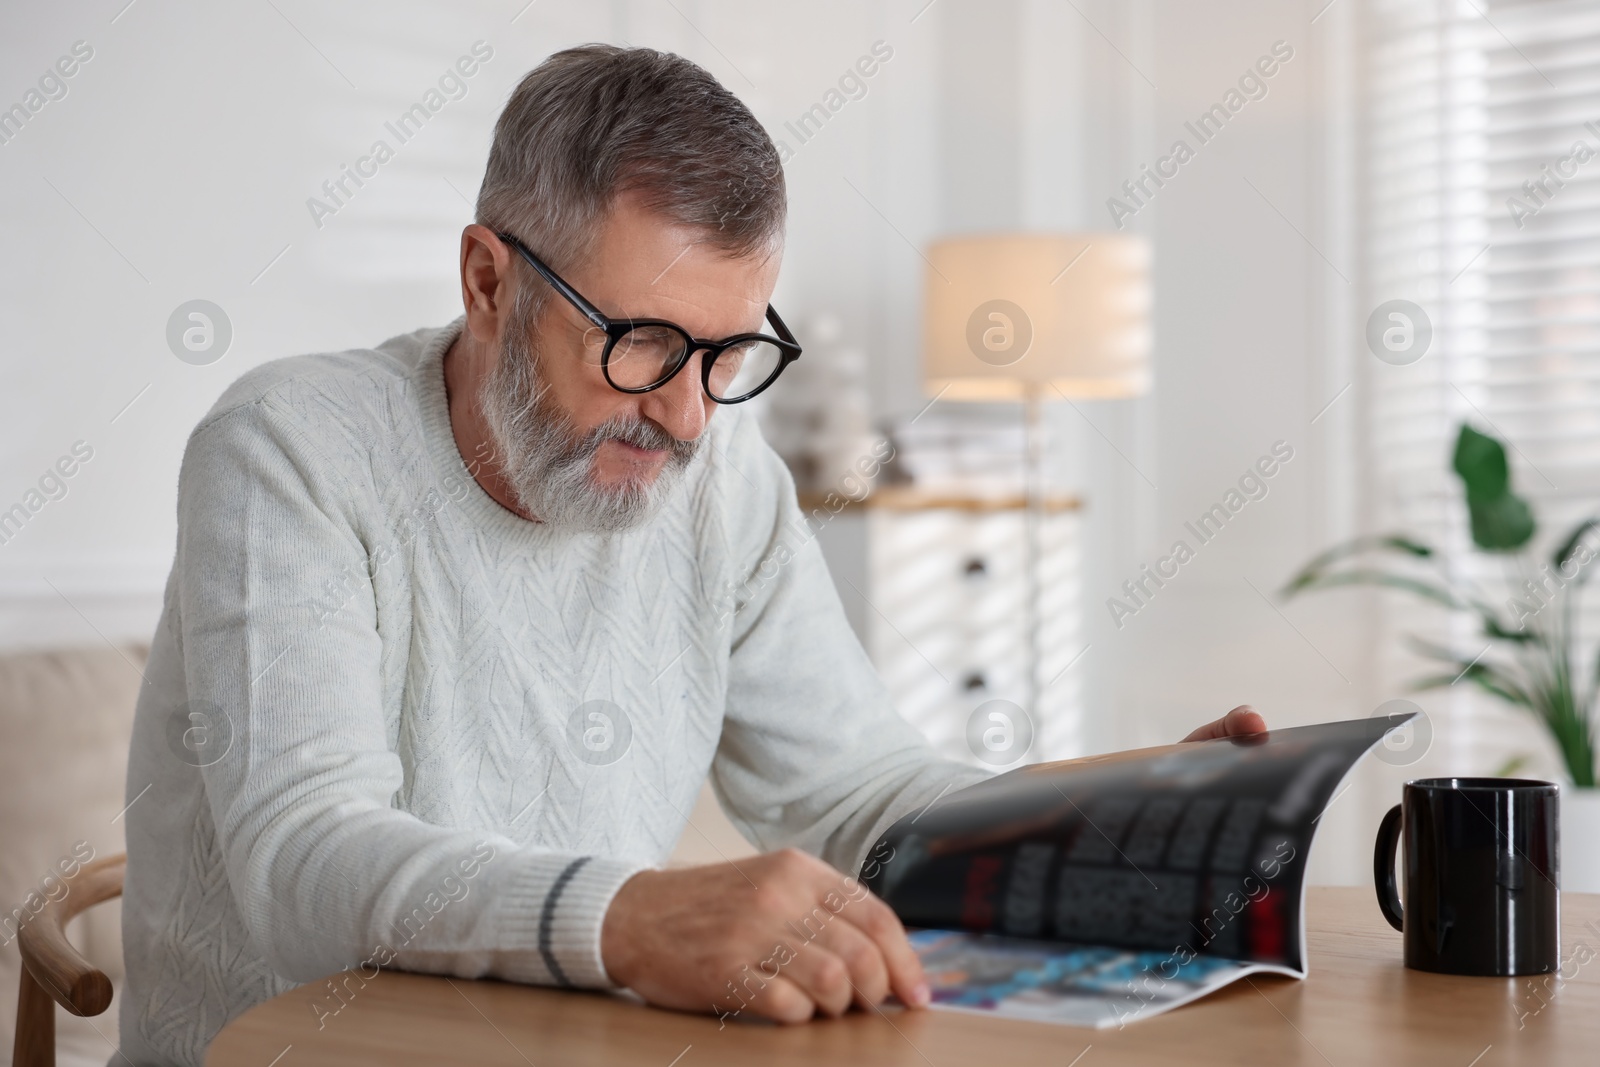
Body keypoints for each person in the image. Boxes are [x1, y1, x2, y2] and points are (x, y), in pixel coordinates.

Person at [118, 44, 1265, 1064]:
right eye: (643, 342)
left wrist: (1110, 818)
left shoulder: (724, 482)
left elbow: (857, 789)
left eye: (725, 354)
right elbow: (303, 861)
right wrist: (634, 917)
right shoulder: (289, 450)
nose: (687, 417)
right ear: (487, 282)